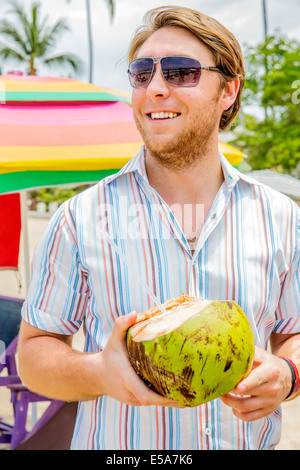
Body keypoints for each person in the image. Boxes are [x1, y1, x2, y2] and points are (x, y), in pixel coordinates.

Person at [17, 6, 300, 450]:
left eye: (181, 72)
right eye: (141, 73)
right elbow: (33, 353)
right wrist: (98, 372)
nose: (156, 89)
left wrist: (288, 374)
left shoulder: (282, 217)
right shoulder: (79, 218)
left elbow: (293, 334)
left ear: (228, 89)